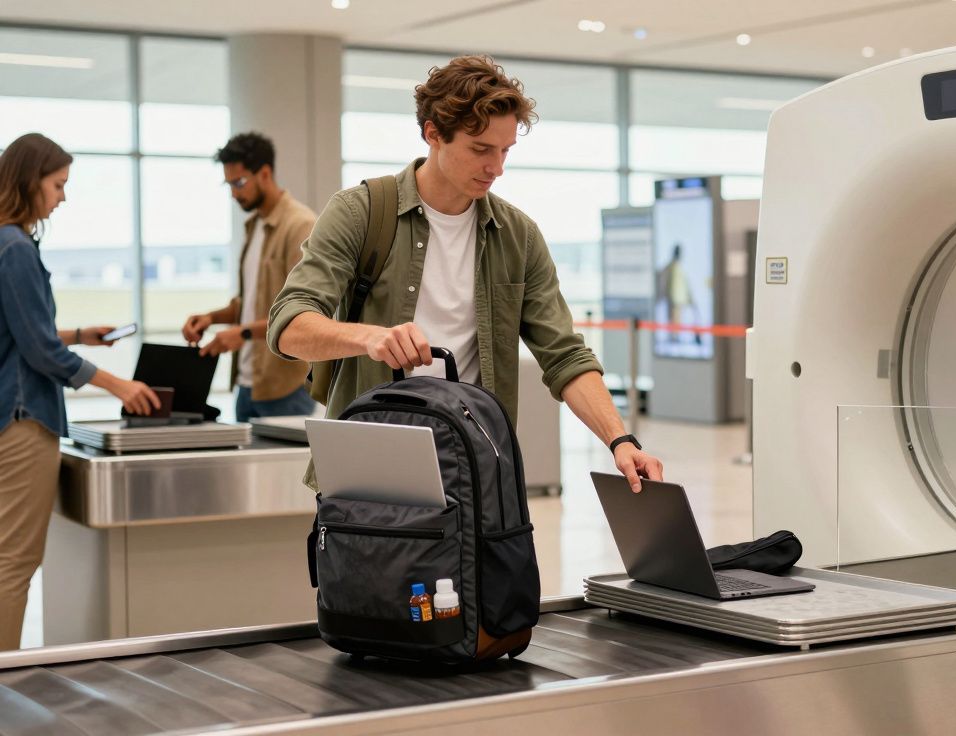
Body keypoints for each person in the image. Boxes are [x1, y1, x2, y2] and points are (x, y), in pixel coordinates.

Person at [269, 55, 663, 492]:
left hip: (476, 466)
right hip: (368, 467)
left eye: (505, 150)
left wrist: (620, 439)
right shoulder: (360, 212)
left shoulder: (518, 236)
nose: (497, 167)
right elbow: (288, 324)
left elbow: (564, 355)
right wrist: (370, 337)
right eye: (481, 149)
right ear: (433, 133)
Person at [0, 133, 159, 649]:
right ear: (30, 181)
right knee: (14, 562)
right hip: (23, 423)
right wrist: (119, 384)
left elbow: (18, 332)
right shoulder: (16, 247)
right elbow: (41, 354)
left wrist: (78, 335)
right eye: (58, 184)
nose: (61, 197)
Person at [182, 133, 318, 422]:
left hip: (285, 387)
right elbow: (251, 303)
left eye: (239, 182)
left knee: (287, 470)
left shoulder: (300, 225)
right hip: (247, 384)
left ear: (265, 173)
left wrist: (241, 333)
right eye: (228, 184)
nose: (233, 192)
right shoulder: (253, 226)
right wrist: (211, 318)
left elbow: (303, 313)